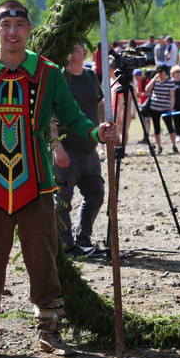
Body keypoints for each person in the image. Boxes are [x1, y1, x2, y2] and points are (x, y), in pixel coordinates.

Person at [0, 0, 117, 358]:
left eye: (19, 24)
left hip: (37, 181)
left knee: (43, 257)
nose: (12, 31)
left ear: (29, 30)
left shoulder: (48, 72)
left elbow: (72, 117)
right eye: (5, 24)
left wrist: (98, 133)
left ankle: (49, 335)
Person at [54, 43, 105, 258]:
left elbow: (99, 104)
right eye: (68, 50)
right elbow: (50, 116)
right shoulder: (60, 79)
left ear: (84, 53)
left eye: (74, 50)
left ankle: (82, 239)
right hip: (67, 150)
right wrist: (58, 149)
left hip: (89, 149)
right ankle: (67, 247)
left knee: (96, 194)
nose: (70, 55)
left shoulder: (91, 76)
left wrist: (107, 129)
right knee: (62, 201)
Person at [144, 64, 177, 154]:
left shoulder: (170, 82)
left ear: (165, 72)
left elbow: (172, 96)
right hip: (154, 108)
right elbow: (147, 90)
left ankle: (174, 145)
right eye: (157, 71)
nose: (159, 73)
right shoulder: (155, 81)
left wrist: (171, 108)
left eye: (161, 71)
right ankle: (159, 146)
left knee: (170, 127)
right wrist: (153, 79)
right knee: (156, 128)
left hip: (165, 108)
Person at [133, 69, 152, 143]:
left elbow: (151, 93)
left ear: (142, 75)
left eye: (138, 76)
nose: (137, 78)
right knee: (143, 120)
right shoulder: (138, 82)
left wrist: (146, 94)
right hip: (141, 103)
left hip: (147, 104)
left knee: (147, 120)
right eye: (135, 76)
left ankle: (147, 136)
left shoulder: (146, 81)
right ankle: (145, 136)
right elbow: (139, 92)